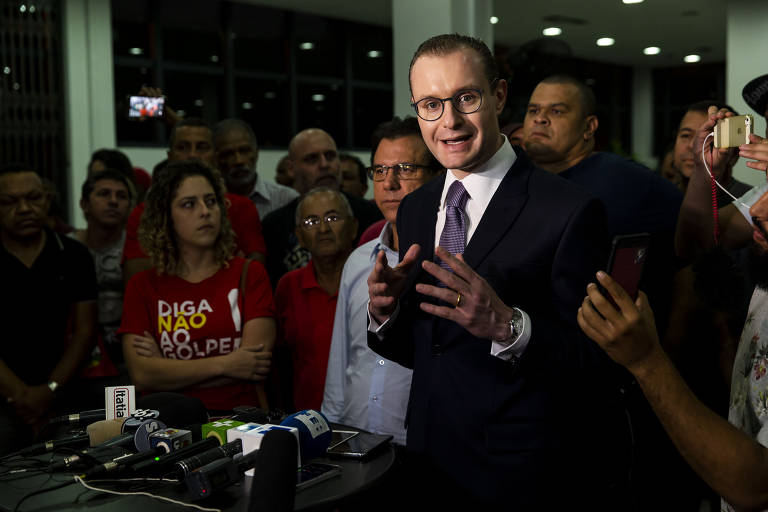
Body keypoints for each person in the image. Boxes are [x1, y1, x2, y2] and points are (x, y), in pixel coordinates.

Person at [366, 34, 626, 508]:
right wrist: (384, 314)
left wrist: (508, 326)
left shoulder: (568, 210)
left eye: (466, 98)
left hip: (521, 475)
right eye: (430, 104)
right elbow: (434, 351)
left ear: (499, 96)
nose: (449, 122)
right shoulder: (416, 209)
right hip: (426, 463)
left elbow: (599, 363)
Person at [119, 160, 276, 413]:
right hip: (170, 427)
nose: (205, 211)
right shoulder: (142, 286)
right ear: (165, 216)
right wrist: (228, 364)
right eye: (189, 204)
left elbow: (253, 366)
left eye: (211, 201)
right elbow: (143, 375)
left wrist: (166, 365)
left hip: (240, 424)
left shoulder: (249, 273)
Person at [323, 117, 441, 445]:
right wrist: (332, 427)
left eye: (405, 168)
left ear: (438, 176)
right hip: (355, 435)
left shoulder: (450, 261)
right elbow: (341, 359)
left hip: (421, 443)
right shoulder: (359, 261)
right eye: (379, 170)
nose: (389, 183)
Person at [0, 165, 97, 453]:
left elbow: (85, 331)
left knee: (82, 446)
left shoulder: (74, 255)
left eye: (34, 198)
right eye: (9, 202)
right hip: (4, 392)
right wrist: (22, 396)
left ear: (47, 200)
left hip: (63, 388)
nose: (24, 208)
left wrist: (49, 391)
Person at [122, 118, 266, 283]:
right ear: (170, 156)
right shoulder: (143, 213)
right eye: (183, 147)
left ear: (215, 156)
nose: (192, 155)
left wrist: (167, 264)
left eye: (202, 147)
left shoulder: (242, 207)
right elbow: (139, 283)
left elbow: (252, 278)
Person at [261, 128, 381, 287]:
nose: (324, 165)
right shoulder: (274, 226)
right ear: (291, 169)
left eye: (330, 156)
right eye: (312, 159)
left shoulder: (372, 216)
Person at [274, 188, 357, 411]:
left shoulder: (371, 281)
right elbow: (281, 363)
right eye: (311, 221)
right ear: (299, 236)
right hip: (307, 419)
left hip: (368, 419)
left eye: (332, 218)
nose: (323, 229)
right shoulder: (288, 286)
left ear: (353, 227)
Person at [71, 169, 134, 375]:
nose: (113, 201)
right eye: (104, 194)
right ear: (84, 204)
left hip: (127, 355)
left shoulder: (139, 251)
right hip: (74, 356)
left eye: (121, 196)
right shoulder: (66, 249)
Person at [213, 119, 299, 219]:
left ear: (256, 153)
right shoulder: (210, 203)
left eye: (245, 151)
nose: (238, 161)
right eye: (228, 154)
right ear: (216, 159)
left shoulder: (287, 199)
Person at [672, 100, 751, 205]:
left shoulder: (751, 202)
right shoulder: (659, 194)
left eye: (708, 138)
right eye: (686, 135)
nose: (692, 146)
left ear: (734, 154)